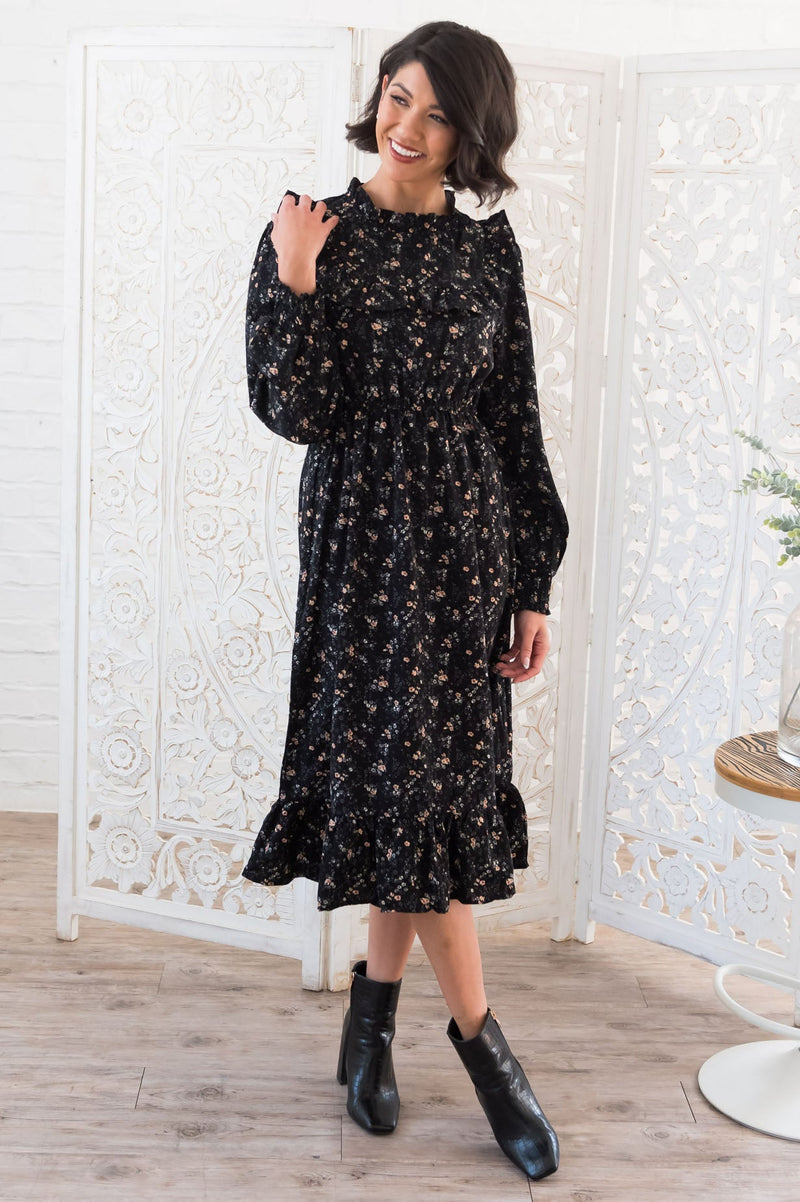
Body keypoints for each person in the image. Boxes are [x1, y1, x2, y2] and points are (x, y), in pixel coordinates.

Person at [241, 20, 568, 1182]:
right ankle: (486, 1051)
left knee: (419, 790)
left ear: (471, 130)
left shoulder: (487, 255)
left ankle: (370, 1022)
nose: (405, 125)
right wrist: (294, 278)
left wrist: (530, 583)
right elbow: (297, 411)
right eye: (394, 96)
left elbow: (512, 421)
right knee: (404, 783)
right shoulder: (308, 230)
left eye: (433, 110)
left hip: (465, 551)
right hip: (359, 549)